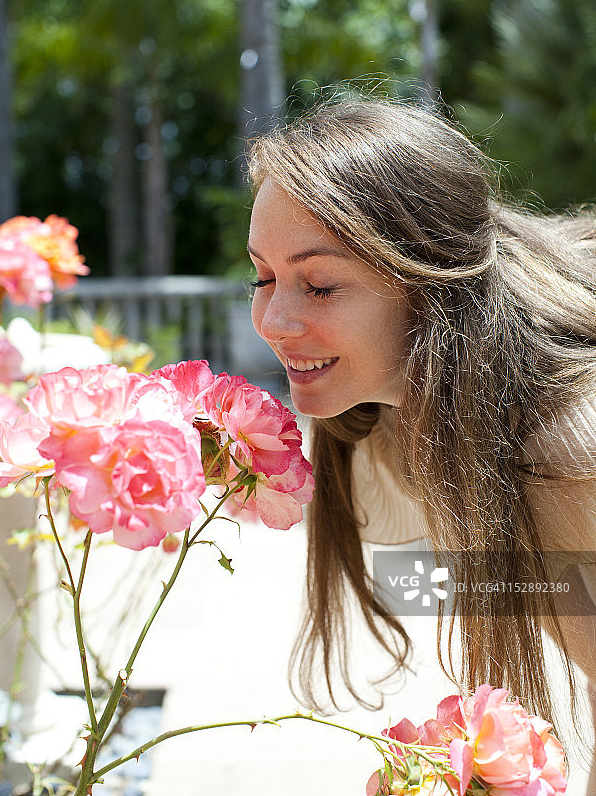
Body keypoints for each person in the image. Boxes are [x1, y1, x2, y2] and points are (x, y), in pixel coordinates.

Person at [244, 96, 596, 735]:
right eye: (262, 277)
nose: (272, 322)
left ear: (429, 282)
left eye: (318, 285)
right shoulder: (388, 415)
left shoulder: (566, 454)